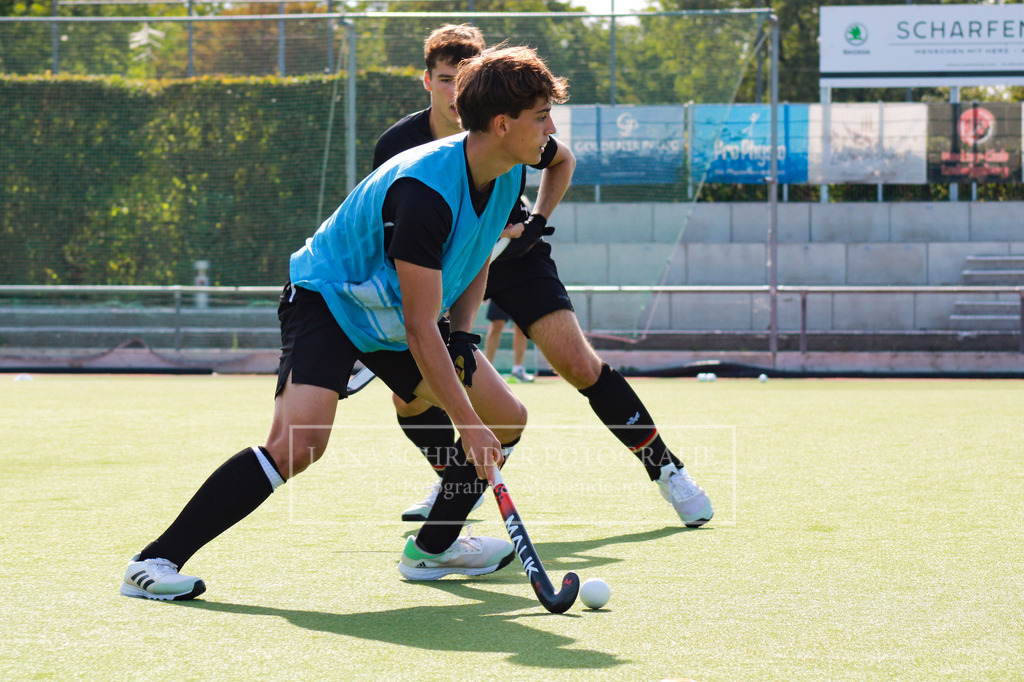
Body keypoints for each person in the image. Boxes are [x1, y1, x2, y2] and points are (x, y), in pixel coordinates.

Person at [119, 44, 570, 601]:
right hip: (328, 301)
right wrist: (464, 422)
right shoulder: (425, 190)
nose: (550, 128)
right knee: (299, 443)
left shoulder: (505, 172)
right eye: (542, 116)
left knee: (506, 416)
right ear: (503, 124)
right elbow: (417, 323)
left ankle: (433, 548)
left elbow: (475, 255)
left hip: (395, 317)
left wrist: (465, 337)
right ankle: (154, 561)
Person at [377, 26, 714, 529]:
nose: (454, 92)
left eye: (463, 79)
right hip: (444, 271)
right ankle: (455, 486)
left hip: (512, 257)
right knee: (408, 394)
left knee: (579, 364)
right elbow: (391, 226)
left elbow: (563, 160)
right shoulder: (399, 145)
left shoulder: (513, 126)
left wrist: (533, 223)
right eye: (445, 79)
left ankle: (666, 469)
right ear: (428, 82)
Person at [482, 299, 533, 383]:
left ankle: (517, 370)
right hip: (500, 289)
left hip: (520, 290)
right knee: (497, 324)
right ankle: (486, 369)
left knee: (521, 326)